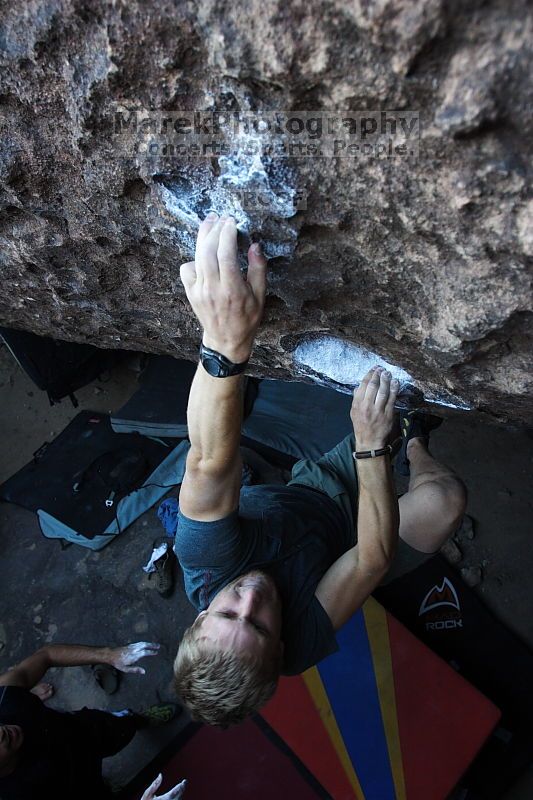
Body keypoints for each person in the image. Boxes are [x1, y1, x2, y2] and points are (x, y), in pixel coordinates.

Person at [173, 213, 467, 726]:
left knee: (386, 416)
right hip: (351, 547)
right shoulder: (298, 648)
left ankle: (407, 438)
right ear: (279, 647)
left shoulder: (206, 559)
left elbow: (209, 461)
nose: (251, 599)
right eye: (259, 626)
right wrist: (371, 449)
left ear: (201, 616)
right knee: (444, 500)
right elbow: (370, 560)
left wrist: (223, 343)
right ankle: (414, 441)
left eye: (228, 612)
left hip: (315, 492)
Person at [0, 640, 179, 799]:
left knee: (122, 727)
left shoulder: (4, 701)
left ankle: (138, 720)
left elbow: (46, 655)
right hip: (77, 791)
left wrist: (109, 655)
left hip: (84, 732)